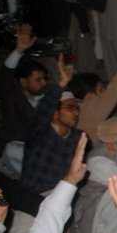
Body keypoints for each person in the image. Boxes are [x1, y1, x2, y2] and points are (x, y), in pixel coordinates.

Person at [0, 24, 47, 169]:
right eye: (38, 80)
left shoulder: (44, 96)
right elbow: (4, 77)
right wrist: (19, 49)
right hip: (12, 148)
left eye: (44, 79)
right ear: (23, 81)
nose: (43, 83)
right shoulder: (12, 96)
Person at [20, 64, 81, 195]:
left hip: (65, 190)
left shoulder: (78, 136)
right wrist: (62, 83)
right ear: (54, 113)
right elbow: (43, 110)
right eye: (70, 108)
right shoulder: (40, 133)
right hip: (36, 193)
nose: (76, 113)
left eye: (77, 108)